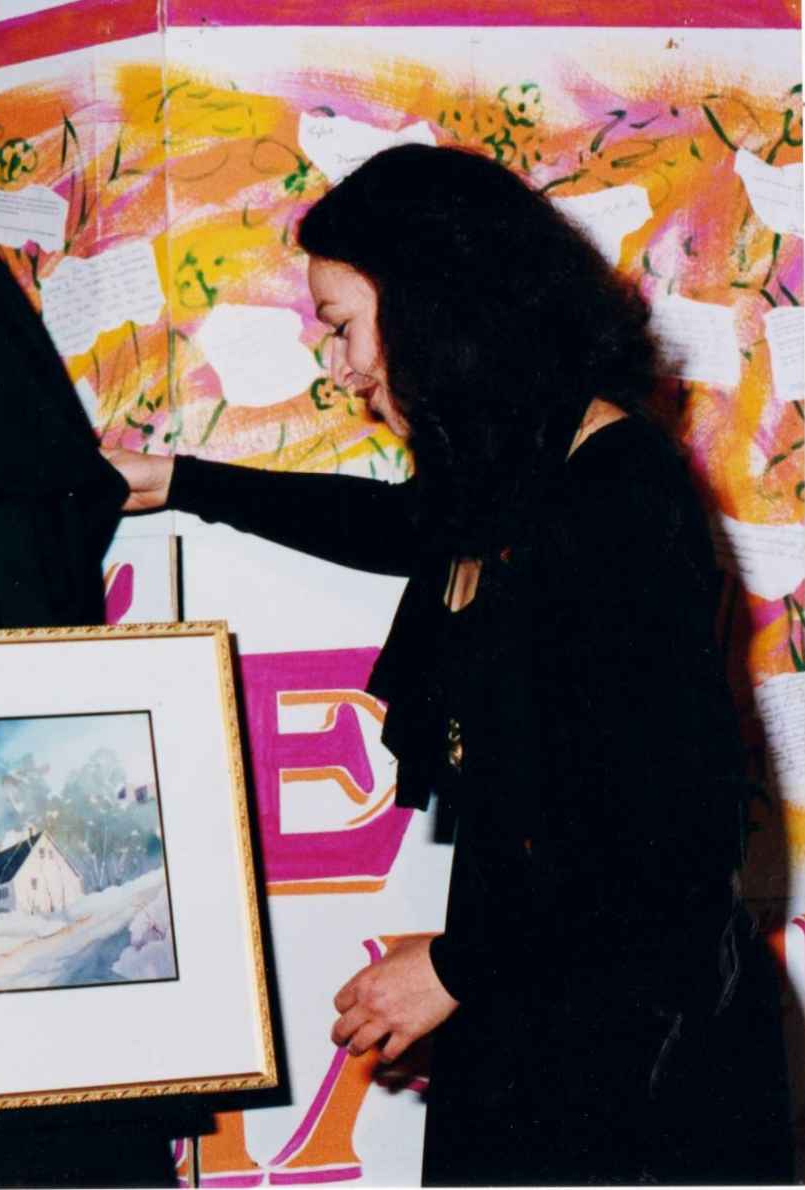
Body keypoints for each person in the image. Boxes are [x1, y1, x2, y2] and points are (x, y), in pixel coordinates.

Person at [107, 144, 794, 1184]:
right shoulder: (519, 478)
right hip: (548, 1011)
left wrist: (455, 967)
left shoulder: (614, 494)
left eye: (341, 325)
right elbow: (390, 522)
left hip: (639, 1068)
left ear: (434, 308)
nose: (339, 368)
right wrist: (175, 480)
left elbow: (670, 843)